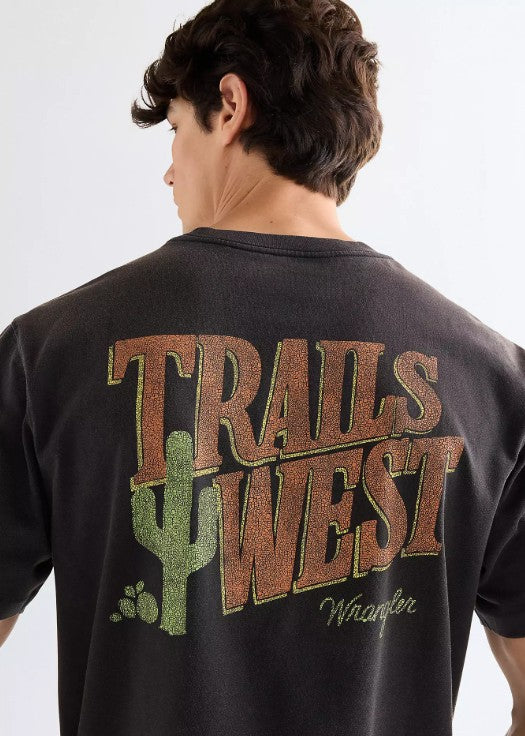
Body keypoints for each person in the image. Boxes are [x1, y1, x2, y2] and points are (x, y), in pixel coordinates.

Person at [1, 1, 524, 734]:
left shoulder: (54, 349)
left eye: (176, 128)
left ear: (229, 105)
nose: (169, 171)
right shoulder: (494, 381)